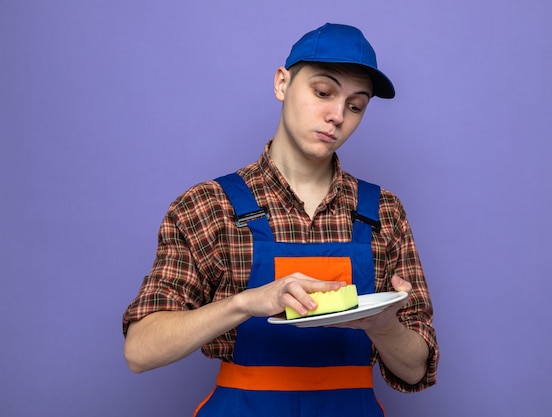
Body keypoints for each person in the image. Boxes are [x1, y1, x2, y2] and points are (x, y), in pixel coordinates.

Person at [123, 23, 439, 417]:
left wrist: (383, 327)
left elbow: (415, 370)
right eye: (323, 92)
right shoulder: (211, 206)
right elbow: (139, 350)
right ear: (281, 83)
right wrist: (245, 303)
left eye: (355, 105)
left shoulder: (383, 212)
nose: (337, 115)